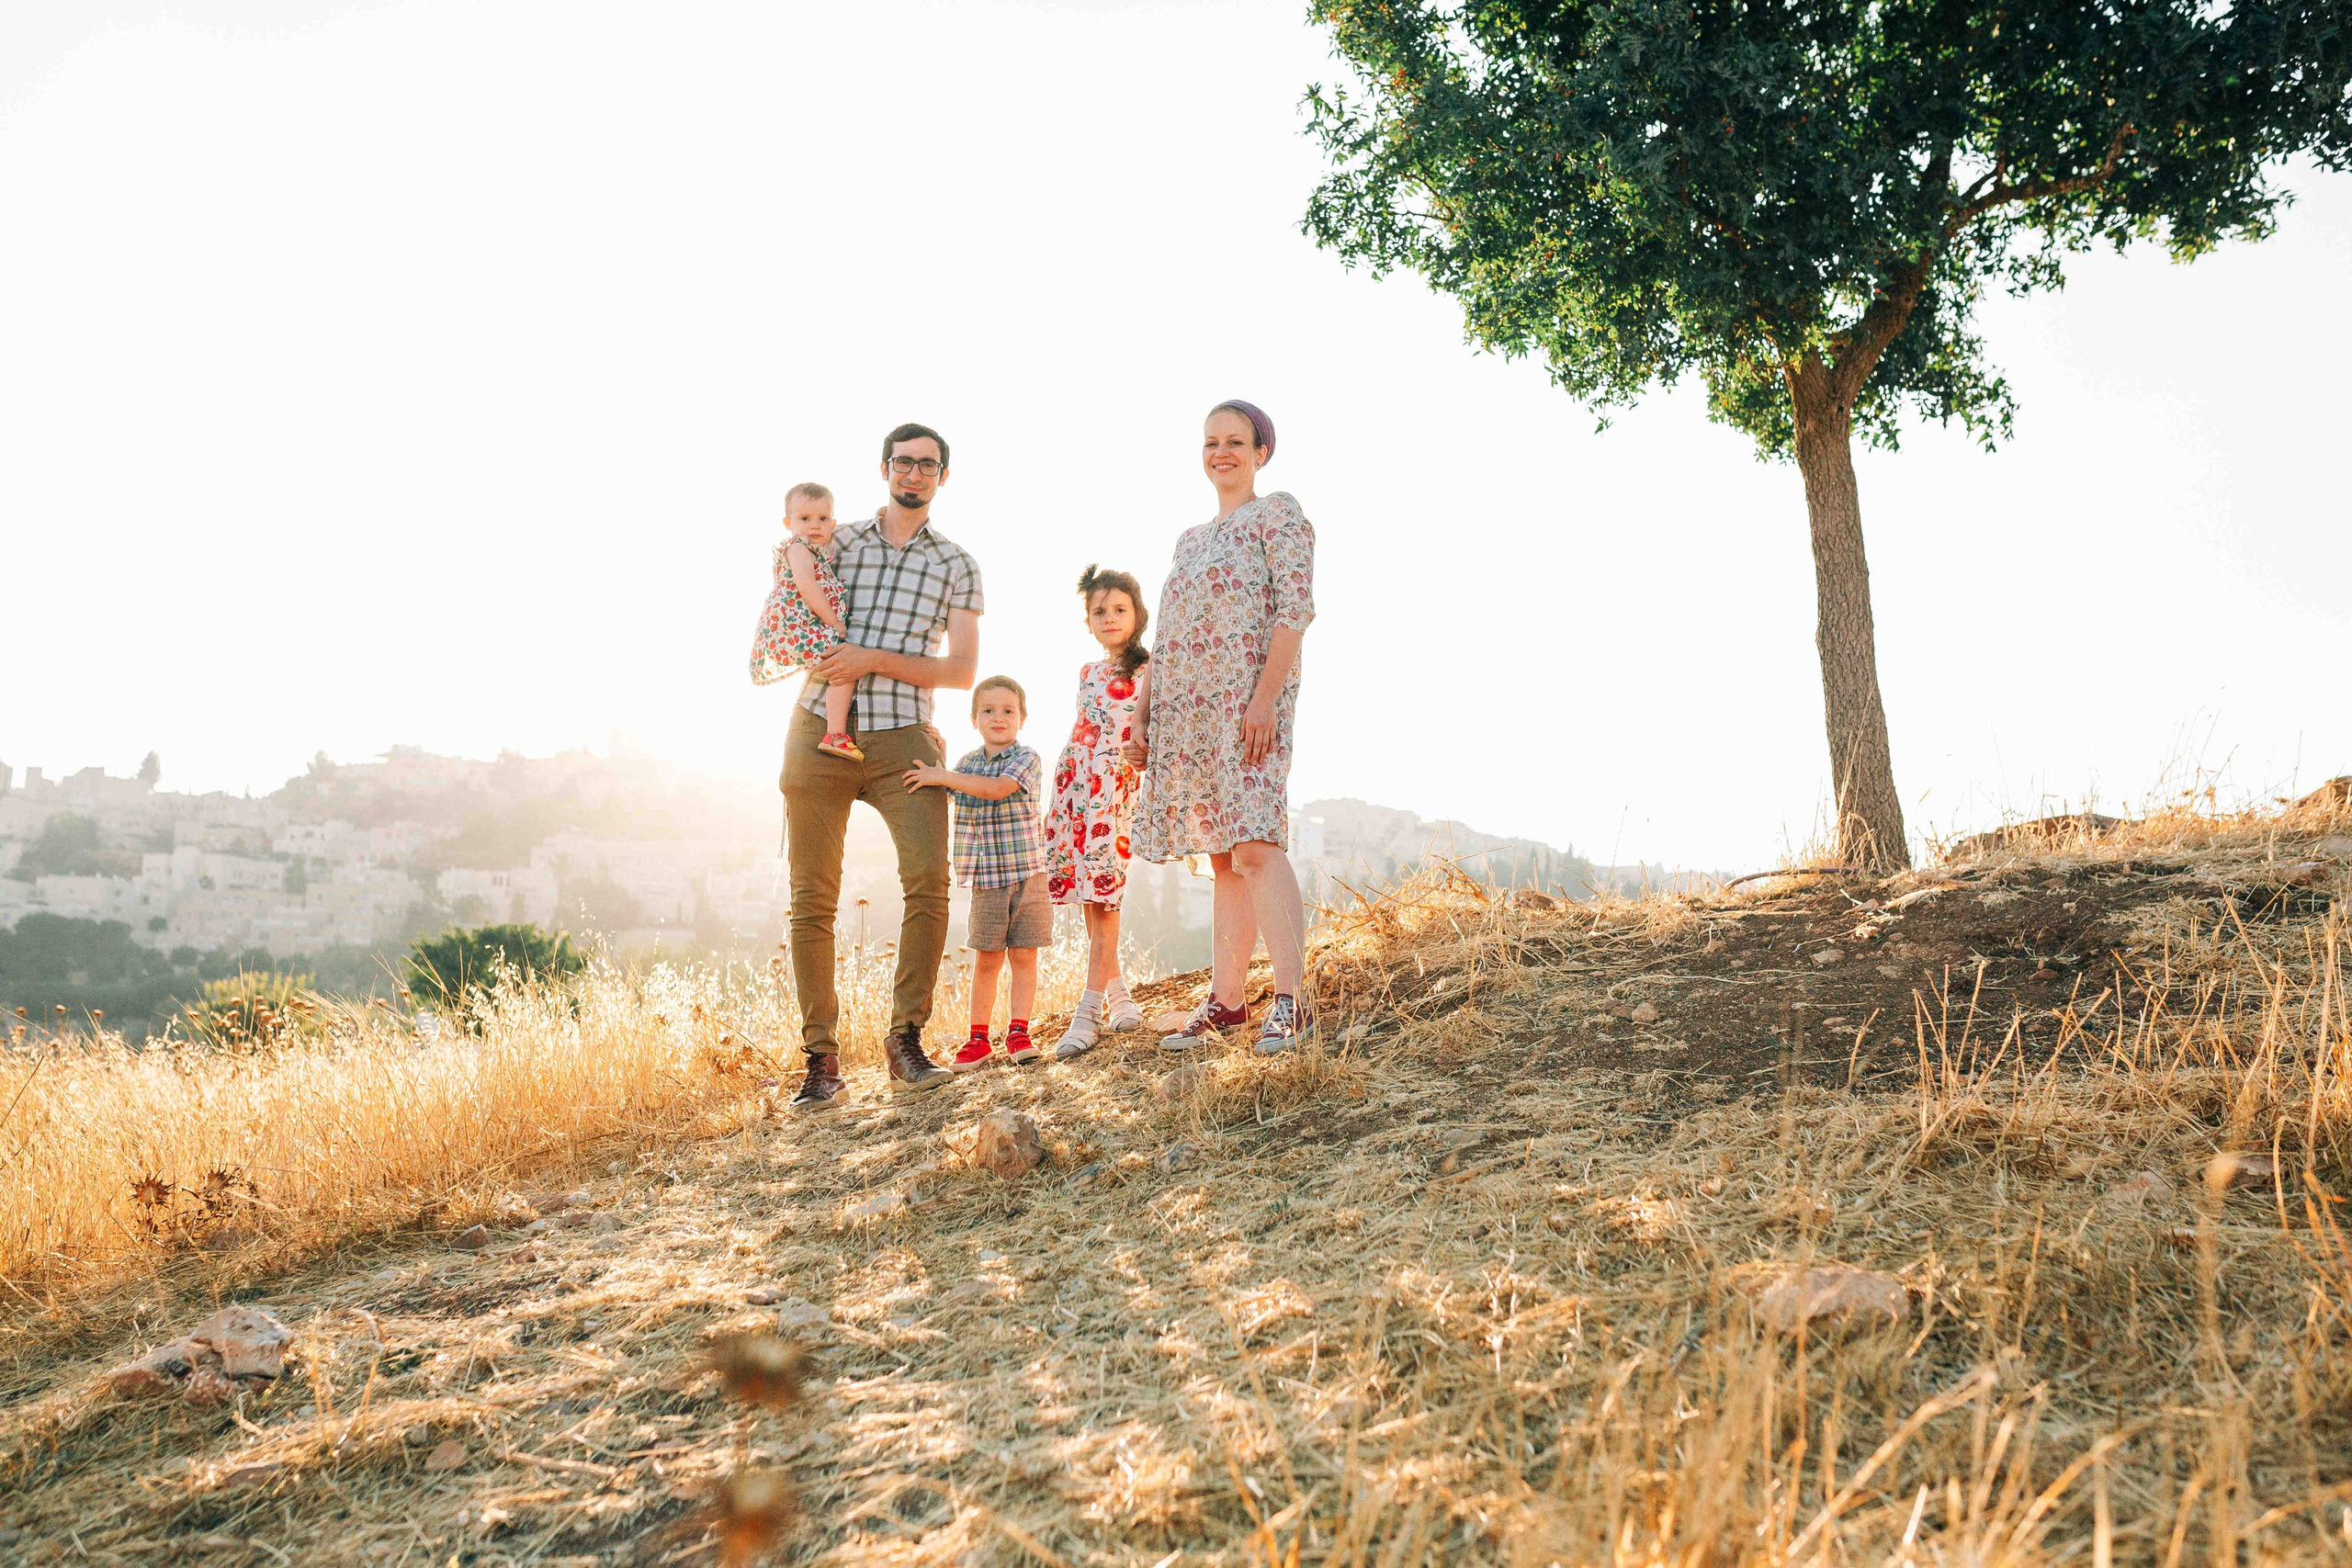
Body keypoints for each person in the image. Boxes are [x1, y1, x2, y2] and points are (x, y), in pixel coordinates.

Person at [779, 423, 982, 1107]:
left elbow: (961, 669)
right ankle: (822, 1060)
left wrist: (870, 659)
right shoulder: (837, 539)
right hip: (819, 729)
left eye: (928, 464)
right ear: (885, 467)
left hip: (906, 737)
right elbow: (788, 587)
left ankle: (906, 1040)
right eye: (904, 461)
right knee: (812, 897)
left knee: (928, 880)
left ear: (943, 477)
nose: (915, 472)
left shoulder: (957, 563)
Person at [1126, 400, 1317, 1055]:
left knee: (1258, 844)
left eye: (1235, 440)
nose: (1221, 452)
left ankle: (1292, 1001)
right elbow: (1166, 635)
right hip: (1189, 715)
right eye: (1210, 442)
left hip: (1248, 708)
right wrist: (1143, 712)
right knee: (1223, 856)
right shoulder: (1189, 539)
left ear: (1261, 451)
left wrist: (1264, 700)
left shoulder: (1277, 514)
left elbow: (1295, 609)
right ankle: (1228, 1002)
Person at [903, 676, 1047, 1071]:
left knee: (1023, 955)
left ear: (1022, 718)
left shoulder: (1027, 758)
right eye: (988, 710)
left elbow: (996, 789)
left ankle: (1019, 1031)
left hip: (1029, 874)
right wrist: (941, 758)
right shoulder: (966, 764)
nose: (998, 717)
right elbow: (949, 788)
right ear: (973, 719)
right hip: (986, 879)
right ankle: (978, 1038)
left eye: (1007, 711)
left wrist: (945, 776)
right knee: (987, 959)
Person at [1047, 565, 1152, 1057]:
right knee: (1092, 898)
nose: (1108, 618)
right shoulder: (1088, 673)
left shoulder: (1150, 669)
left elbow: (1152, 734)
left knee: (1106, 898)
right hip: (1077, 792)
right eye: (1098, 611)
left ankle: (1087, 1013)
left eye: (1118, 609)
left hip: (1115, 795)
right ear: (1087, 620)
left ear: (1137, 614)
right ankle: (1119, 997)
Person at [748, 482, 863, 761]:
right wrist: (834, 622)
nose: (814, 525)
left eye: (822, 519)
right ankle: (836, 734)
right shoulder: (798, 549)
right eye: (805, 519)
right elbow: (807, 587)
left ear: (832, 523)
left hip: (803, 627)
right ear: (789, 522)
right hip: (796, 627)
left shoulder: (816, 551)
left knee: (839, 669)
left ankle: (835, 733)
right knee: (843, 668)